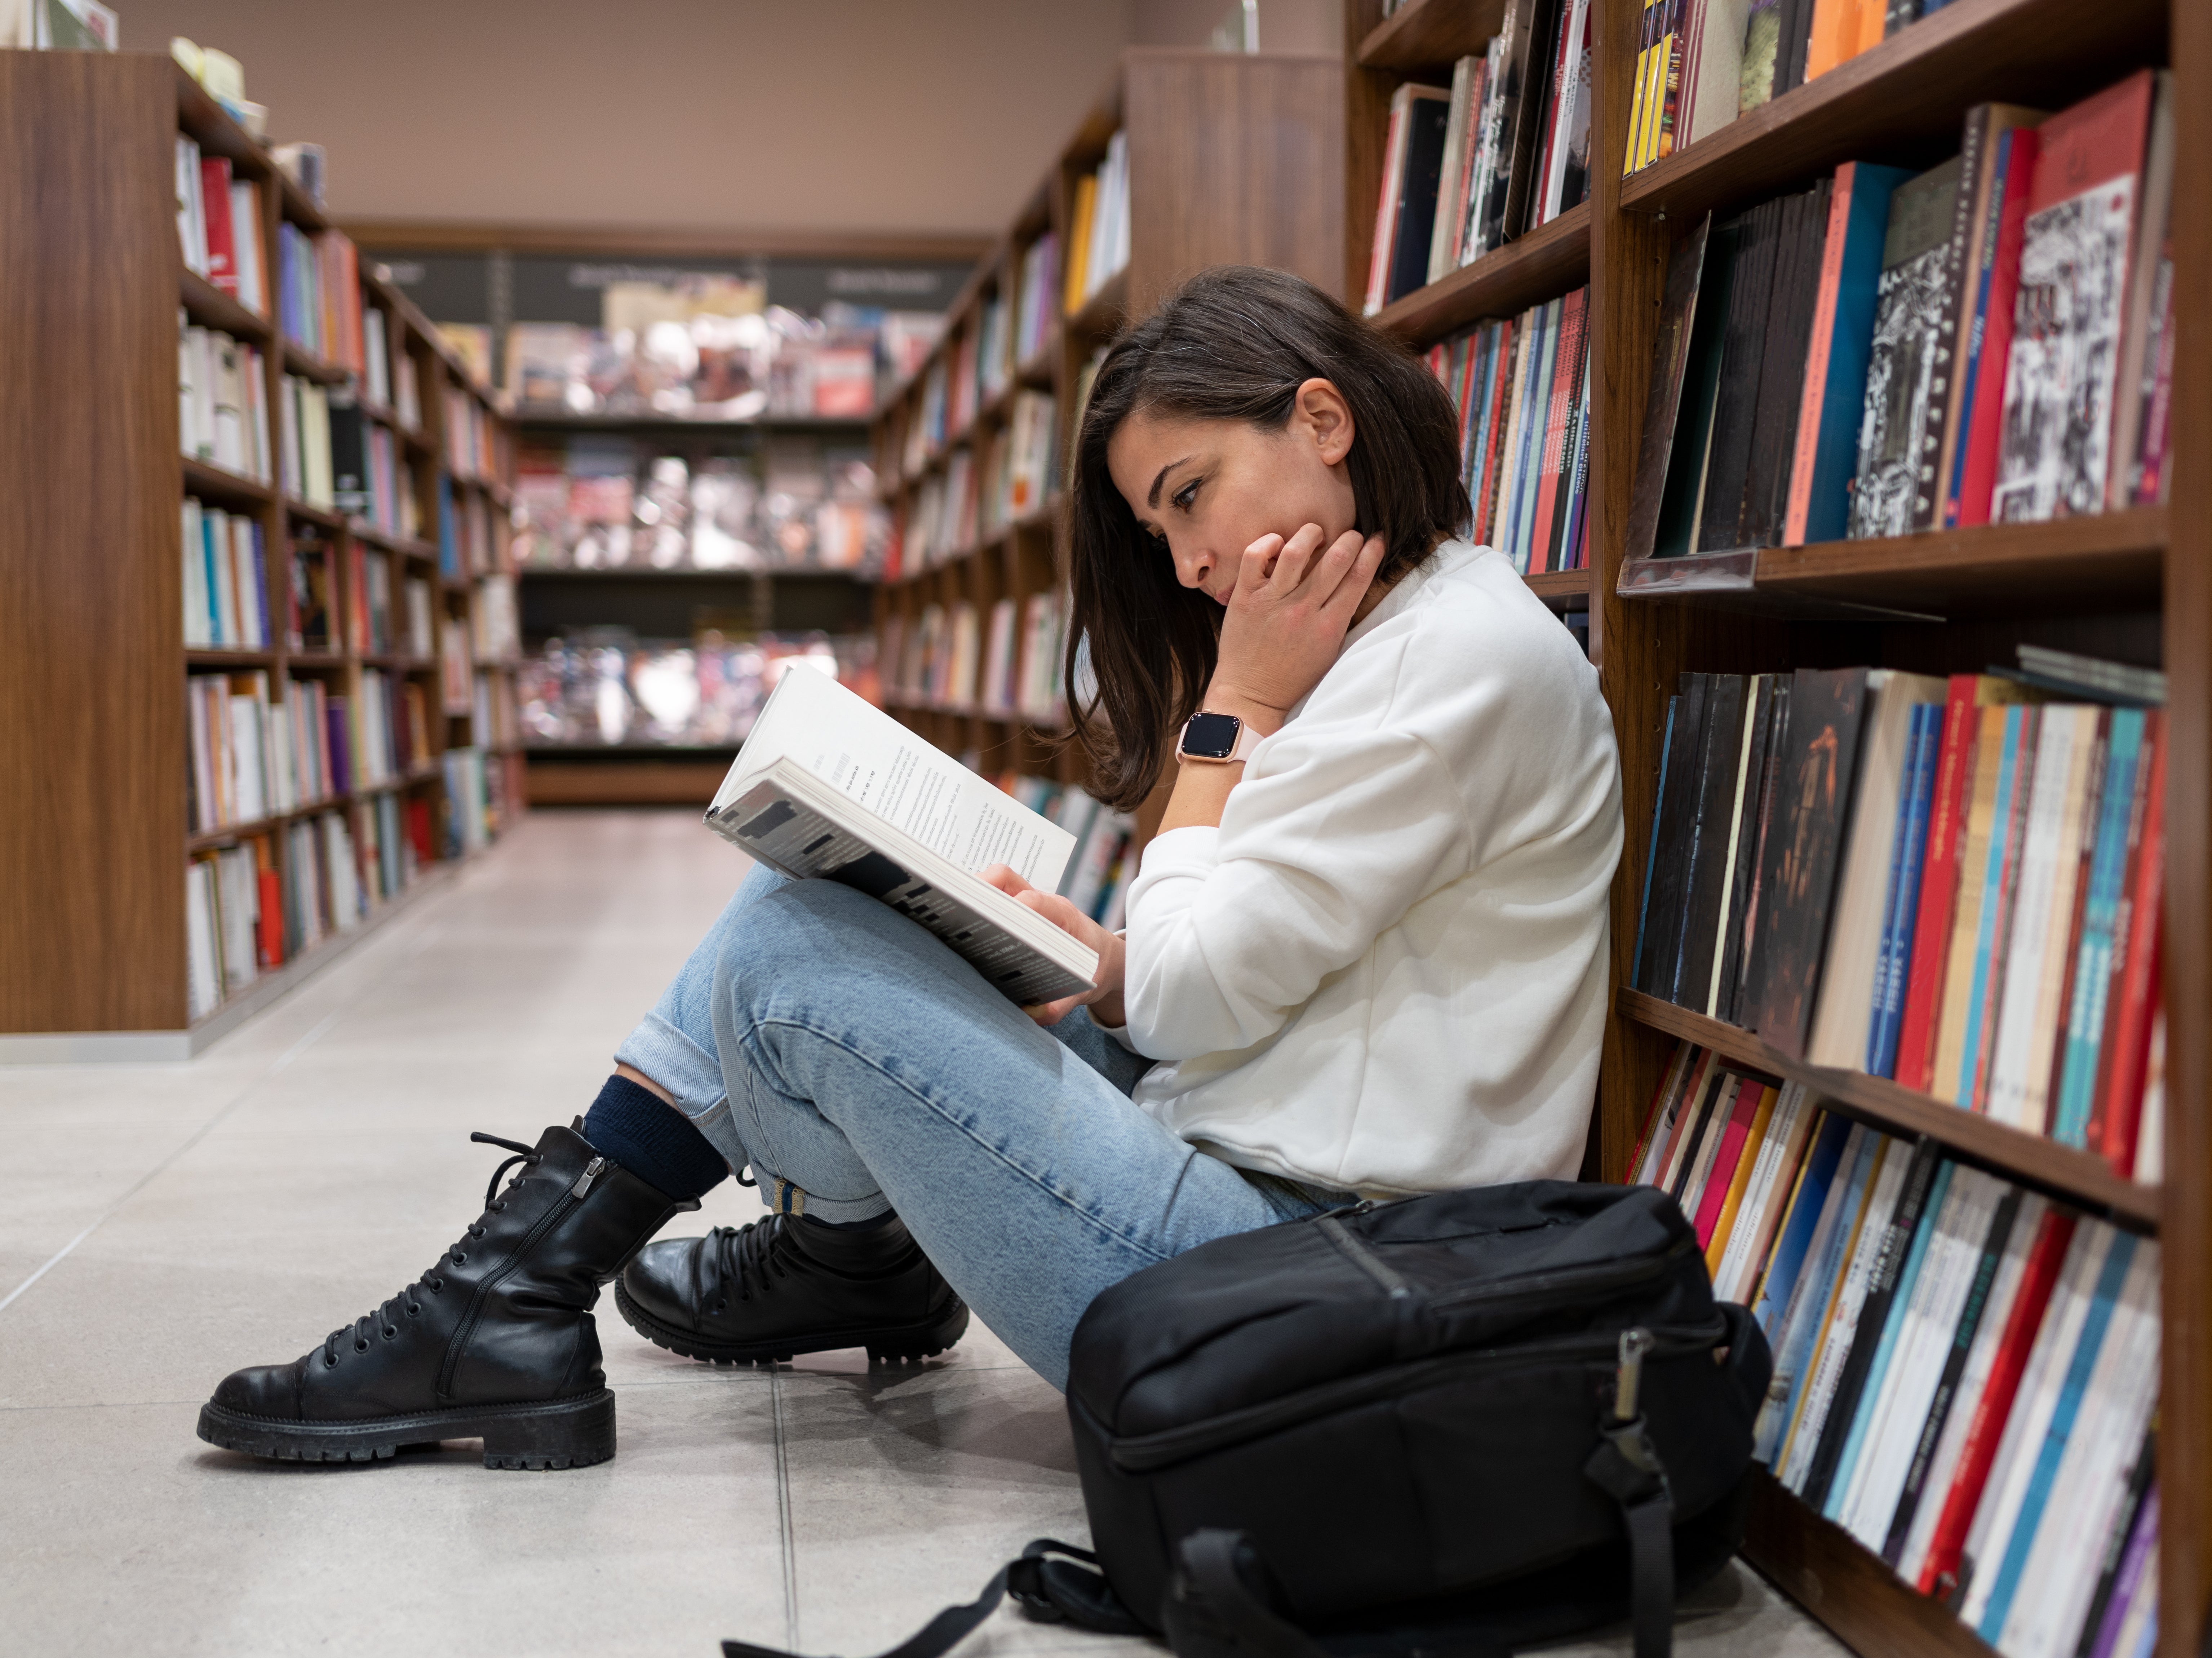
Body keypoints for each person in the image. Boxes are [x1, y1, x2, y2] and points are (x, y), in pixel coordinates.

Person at [196, 267, 1623, 1470]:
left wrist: (1223, 726)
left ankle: (571, 1289)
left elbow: (1197, 1002)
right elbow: (1263, 967)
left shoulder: (1443, 670)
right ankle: (618, 1280)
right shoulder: (1399, 641)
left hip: (1294, 1286)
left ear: (1321, 420)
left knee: (792, 956)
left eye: (1191, 496)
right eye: (1159, 528)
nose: (1187, 562)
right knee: (817, 895)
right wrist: (1098, 963)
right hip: (1253, 1189)